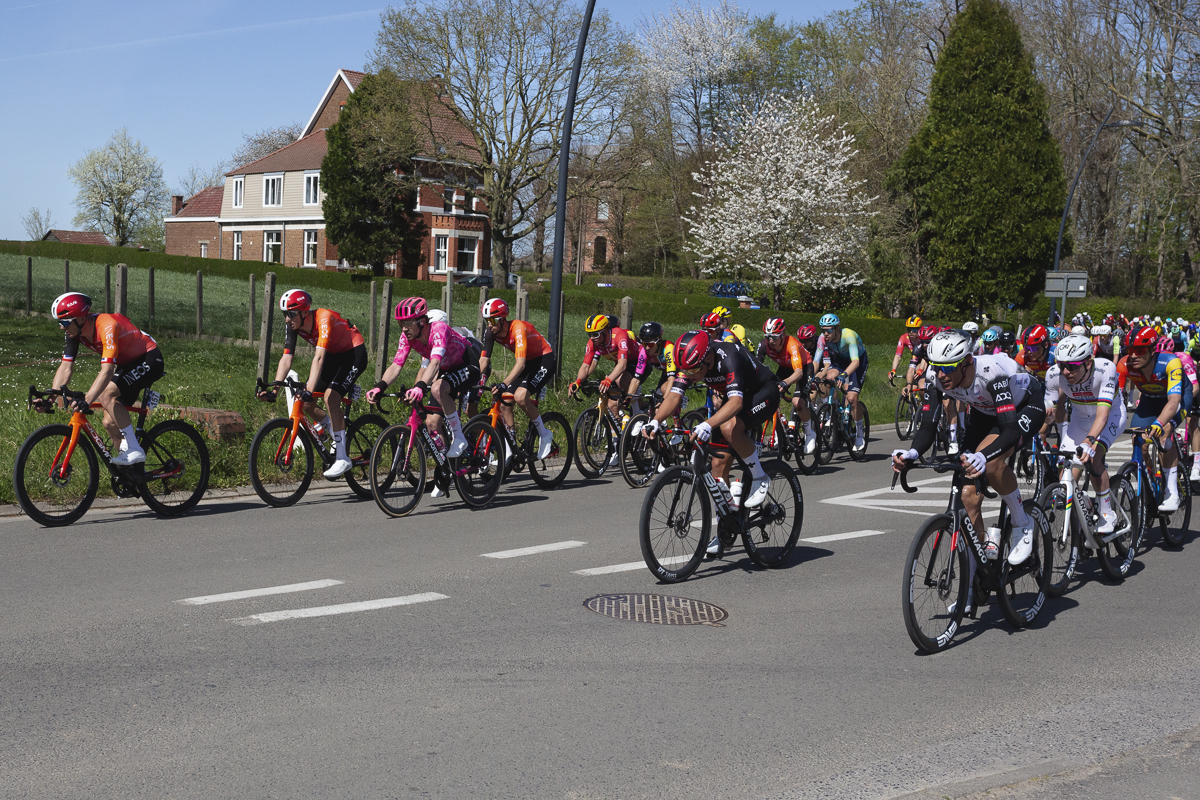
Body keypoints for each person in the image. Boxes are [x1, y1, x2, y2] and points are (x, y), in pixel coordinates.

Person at [893, 331, 1046, 596]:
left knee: (993, 462)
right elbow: (928, 427)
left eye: (948, 367)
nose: (941, 375)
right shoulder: (935, 377)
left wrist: (983, 456)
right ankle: (977, 576)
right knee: (968, 497)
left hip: (1023, 405)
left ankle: (1022, 523)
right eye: (936, 367)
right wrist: (912, 454)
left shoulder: (992, 372)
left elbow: (1009, 431)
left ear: (966, 361)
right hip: (985, 412)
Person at [643, 330, 780, 554]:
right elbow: (674, 395)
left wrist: (707, 424)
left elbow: (736, 403)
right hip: (736, 398)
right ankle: (725, 528)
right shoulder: (691, 364)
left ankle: (759, 476)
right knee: (717, 465)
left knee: (727, 426)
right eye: (686, 370)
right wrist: (656, 421)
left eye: (695, 370)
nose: (691, 375)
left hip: (763, 392)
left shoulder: (728, 356)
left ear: (708, 358)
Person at [39, 292, 164, 466]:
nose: (61, 327)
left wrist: (87, 400)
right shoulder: (74, 334)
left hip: (148, 358)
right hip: (127, 364)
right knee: (109, 423)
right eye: (60, 323)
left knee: (106, 395)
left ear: (81, 319)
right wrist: (50, 398)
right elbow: (66, 367)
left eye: (64, 322)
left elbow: (107, 370)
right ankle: (130, 473)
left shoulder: (107, 325)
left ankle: (135, 449)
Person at [257, 289, 366, 478]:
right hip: (334, 356)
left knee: (331, 397)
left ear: (304, 313)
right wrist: (275, 389)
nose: (287, 319)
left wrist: (308, 389)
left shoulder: (323, 318)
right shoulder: (292, 326)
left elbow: (318, 358)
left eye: (290, 314)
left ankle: (342, 458)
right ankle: (335, 430)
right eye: (284, 314)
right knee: (306, 403)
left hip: (353, 353)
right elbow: (286, 359)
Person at [366, 297, 479, 462]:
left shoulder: (439, 329)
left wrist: (419, 387)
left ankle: (459, 437)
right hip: (446, 370)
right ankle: (445, 471)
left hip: (467, 365)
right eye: (401, 324)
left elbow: (434, 363)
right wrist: (380, 387)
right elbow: (396, 366)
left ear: (422, 321)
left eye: (408, 323)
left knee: (437, 388)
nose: (404, 329)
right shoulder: (407, 337)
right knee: (431, 422)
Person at [1043, 335, 1126, 539]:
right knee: (1066, 476)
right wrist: (1048, 414)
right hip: (1080, 419)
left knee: (1094, 456)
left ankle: (1107, 512)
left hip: (1111, 415)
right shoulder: (1054, 374)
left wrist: (1090, 441)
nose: (1065, 372)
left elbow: (1103, 414)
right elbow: (1049, 407)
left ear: (1088, 362)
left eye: (1072, 367)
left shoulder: (1104, 368)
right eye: (1062, 365)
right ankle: (1085, 504)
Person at [1116, 326, 1191, 511]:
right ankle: (1149, 479)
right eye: (1130, 350)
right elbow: (1114, 398)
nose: (1133, 355)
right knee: (1138, 441)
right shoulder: (1124, 365)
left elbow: (1174, 401)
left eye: (1139, 350)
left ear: (1152, 350)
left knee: (1164, 434)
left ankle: (1171, 491)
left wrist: (1159, 424)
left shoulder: (1170, 362)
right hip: (1149, 400)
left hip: (1176, 399)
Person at [476, 297, 557, 460]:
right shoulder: (491, 332)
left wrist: (504, 383)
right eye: (487, 321)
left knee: (520, 397)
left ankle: (545, 434)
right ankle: (509, 446)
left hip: (543, 359)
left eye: (492, 320)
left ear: (502, 319)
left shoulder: (517, 328)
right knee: (505, 401)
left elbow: (520, 363)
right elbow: (484, 360)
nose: (489, 325)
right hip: (527, 362)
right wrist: (472, 379)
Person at [757, 317, 817, 453]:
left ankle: (809, 434)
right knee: (770, 397)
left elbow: (799, 373)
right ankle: (780, 429)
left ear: (783, 335)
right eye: (767, 336)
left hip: (804, 367)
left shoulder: (792, 345)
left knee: (798, 403)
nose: (771, 340)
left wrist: (785, 383)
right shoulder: (764, 345)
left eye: (774, 336)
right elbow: (757, 368)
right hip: (785, 367)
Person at [813, 313, 869, 450]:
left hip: (857, 362)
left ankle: (860, 434)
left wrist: (844, 375)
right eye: (823, 330)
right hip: (840, 360)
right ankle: (834, 408)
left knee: (852, 398)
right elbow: (816, 361)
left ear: (837, 329)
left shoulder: (848, 336)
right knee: (829, 377)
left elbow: (855, 362)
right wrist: (811, 376)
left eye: (829, 330)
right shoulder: (822, 339)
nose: (825, 333)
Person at [889, 316, 923, 390]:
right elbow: (897, 356)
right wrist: (893, 370)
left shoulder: (923, 338)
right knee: (911, 388)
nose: (911, 332)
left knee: (921, 386)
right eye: (909, 329)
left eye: (914, 330)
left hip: (926, 359)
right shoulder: (904, 338)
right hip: (915, 359)